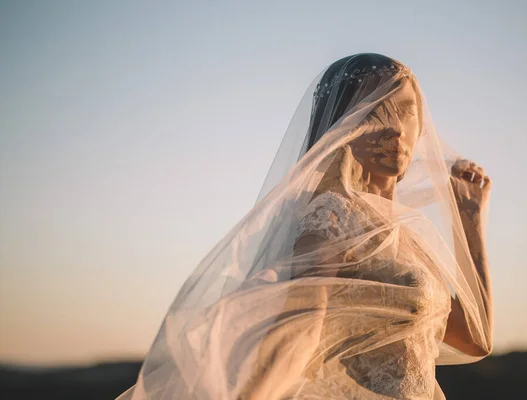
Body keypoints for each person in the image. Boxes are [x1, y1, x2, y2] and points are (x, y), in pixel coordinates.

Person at [117, 53, 493, 400]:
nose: (395, 128)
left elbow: (476, 339)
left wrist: (471, 220)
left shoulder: (407, 235)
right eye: (375, 111)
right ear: (341, 126)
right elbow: (301, 324)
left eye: (407, 112)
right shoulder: (332, 216)